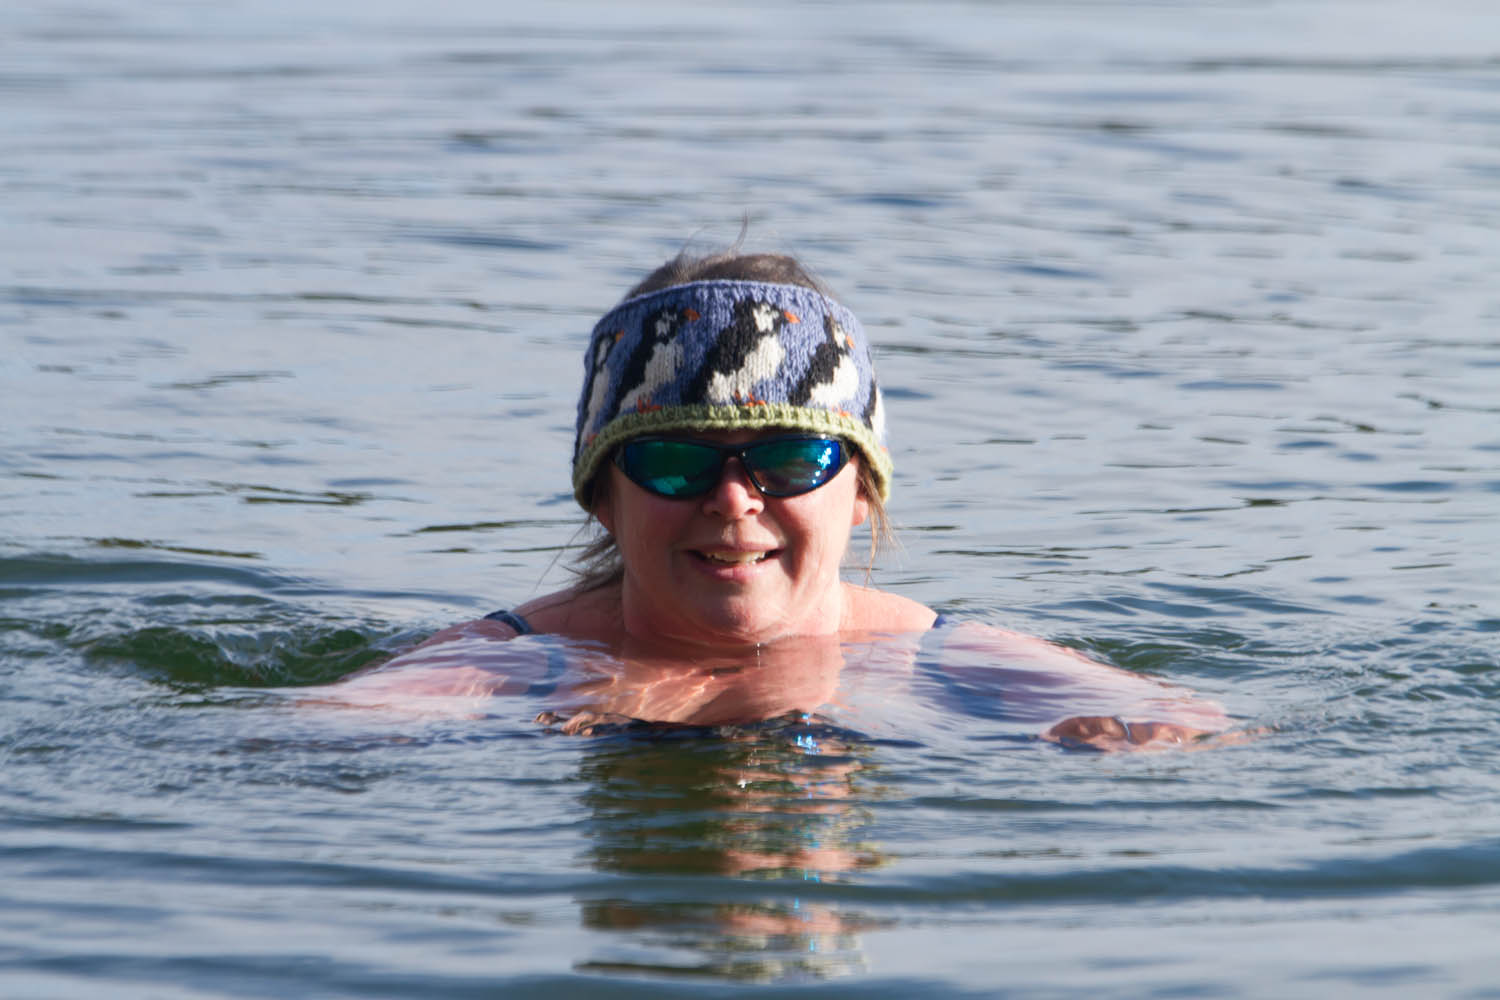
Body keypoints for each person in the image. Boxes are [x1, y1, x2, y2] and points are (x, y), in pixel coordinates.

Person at [327, 249, 1229, 749]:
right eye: (676, 462)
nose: (731, 499)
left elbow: (1199, 728)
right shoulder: (520, 661)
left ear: (862, 492)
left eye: (791, 459)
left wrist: (1117, 742)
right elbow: (297, 745)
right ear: (602, 494)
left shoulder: (942, 658)